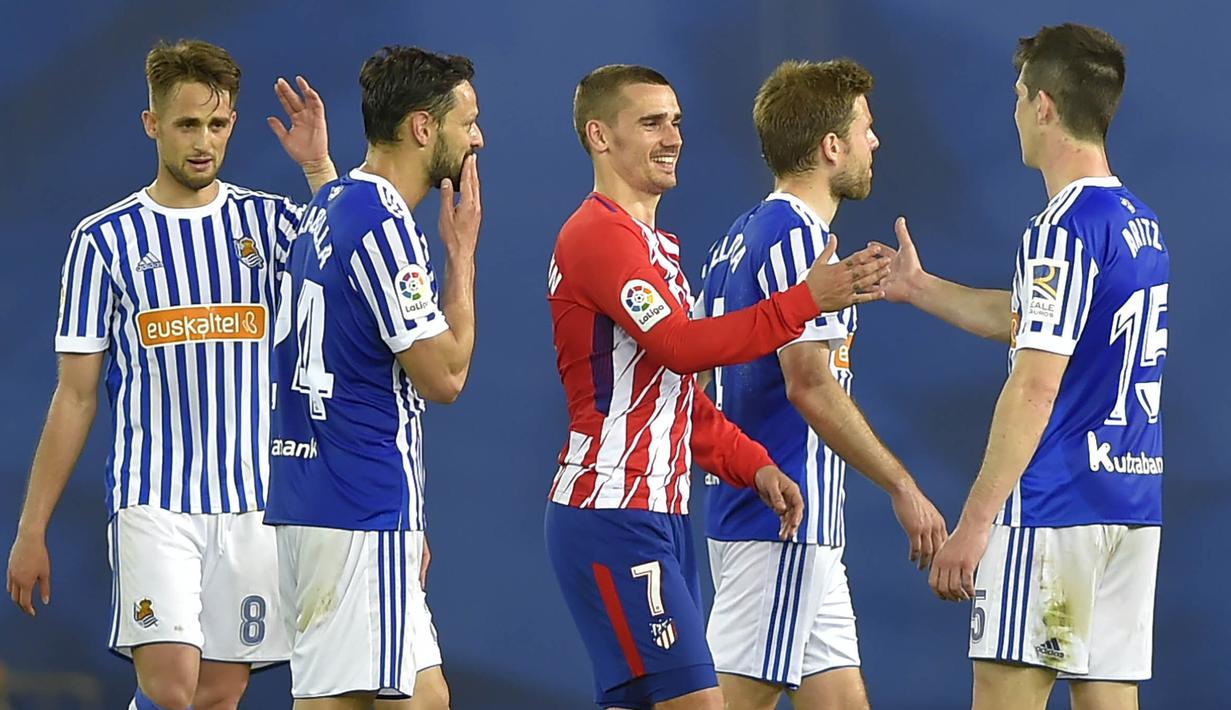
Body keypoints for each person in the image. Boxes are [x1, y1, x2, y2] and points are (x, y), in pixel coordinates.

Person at [544, 64, 892, 710]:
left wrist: (750, 464)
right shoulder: (596, 236)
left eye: (675, 121)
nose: (671, 136)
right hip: (611, 510)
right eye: (650, 123)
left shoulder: (657, 249)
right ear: (599, 136)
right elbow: (680, 347)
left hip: (658, 512)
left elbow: (676, 397)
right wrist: (803, 301)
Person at [5, 39, 336, 710]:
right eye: (187, 124)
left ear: (234, 124)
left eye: (217, 124)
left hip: (253, 508)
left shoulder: (270, 225)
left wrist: (320, 169)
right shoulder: (104, 241)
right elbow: (75, 396)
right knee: (172, 687)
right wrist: (31, 527)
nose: (203, 141)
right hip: (154, 504)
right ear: (152, 124)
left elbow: (354, 266)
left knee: (215, 697)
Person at [888, 24, 1166, 710]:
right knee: (1107, 697)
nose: (1012, 112)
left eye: (1017, 96)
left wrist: (976, 523)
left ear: (1042, 105)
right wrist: (919, 287)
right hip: (1125, 514)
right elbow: (1032, 323)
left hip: (1051, 518)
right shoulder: (1138, 223)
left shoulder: (1061, 226)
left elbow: (1036, 382)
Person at [696, 58, 948, 710]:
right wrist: (903, 485)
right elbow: (808, 384)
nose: (875, 141)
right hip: (781, 523)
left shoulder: (738, 236)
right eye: (865, 127)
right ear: (830, 146)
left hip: (769, 523)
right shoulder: (797, 240)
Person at [263, 45, 482, 710]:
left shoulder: (331, 202)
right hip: (359, 507)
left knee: (422, 699)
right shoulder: (384, 228)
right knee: (339, 702)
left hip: (324, 501)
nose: (478, 137)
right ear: (423, 128)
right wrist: (461, 257)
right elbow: (445, 375)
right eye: (466, 121)